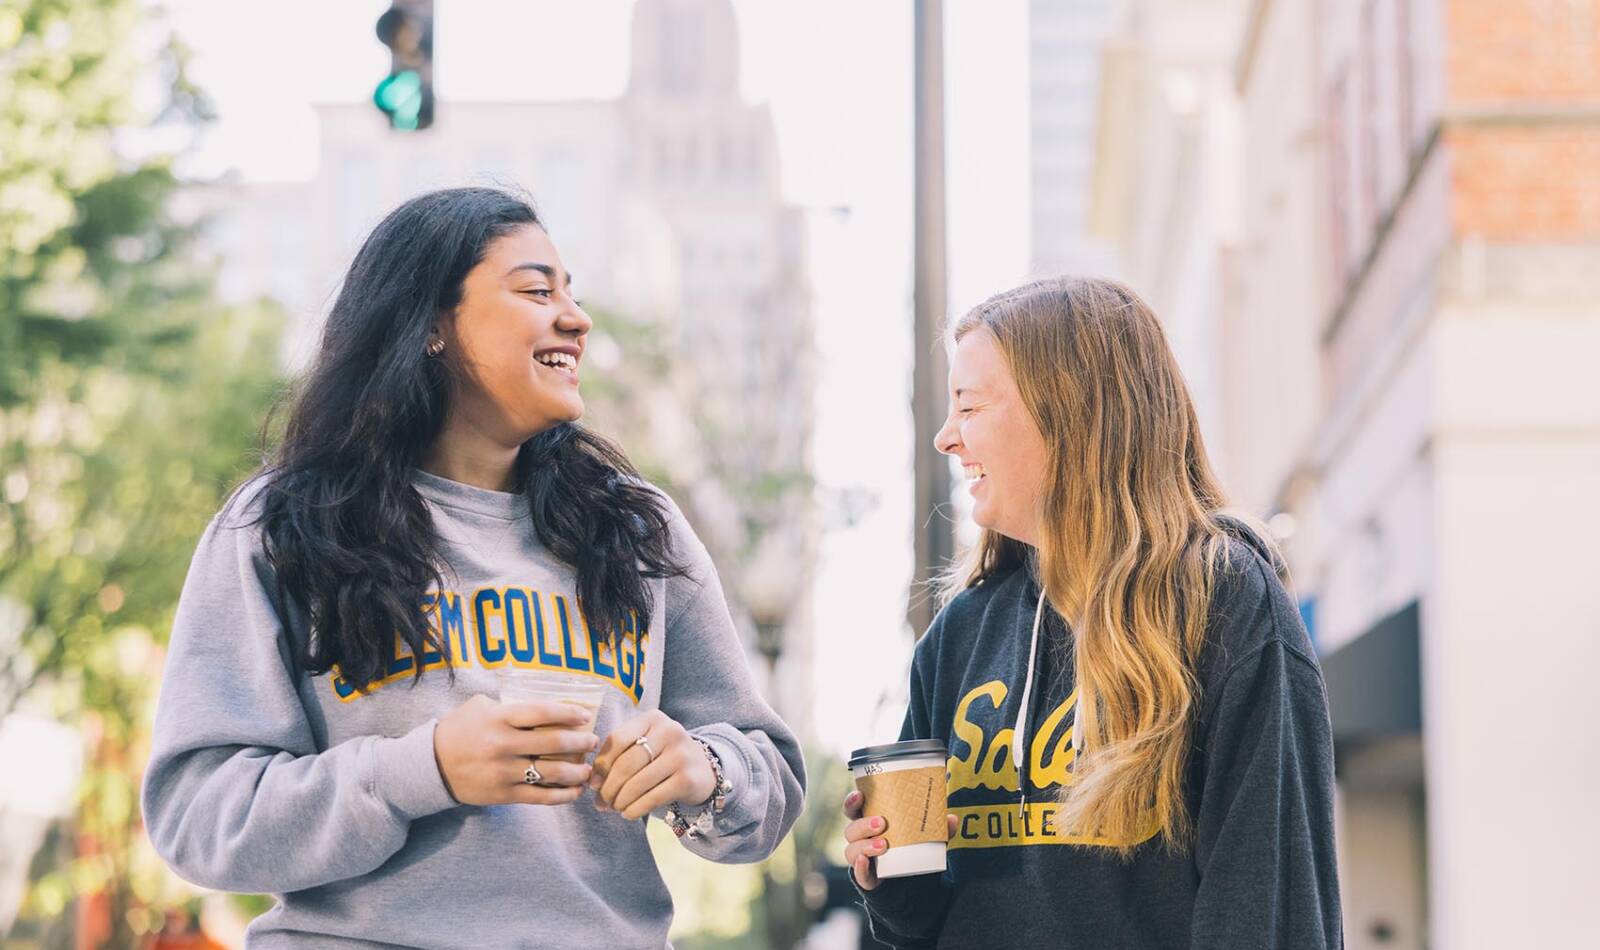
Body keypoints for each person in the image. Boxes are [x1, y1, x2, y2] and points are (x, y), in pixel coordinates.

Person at [141, 187, 806, 949]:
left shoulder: (634, 529)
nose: (577, 318)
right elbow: (198, 815)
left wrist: (702, 770)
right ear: (430, 325)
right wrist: (419, 771)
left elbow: (771, 779)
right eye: (535, 290)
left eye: (573, 295)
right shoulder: (282, 526)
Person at [843, 277, 1341, 948]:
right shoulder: (960, 633)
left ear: (1068, 413)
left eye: (969, 406)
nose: (946, 438)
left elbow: (1268, 912)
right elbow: (921, 926)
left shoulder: (1222, 606)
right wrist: (892, 876)